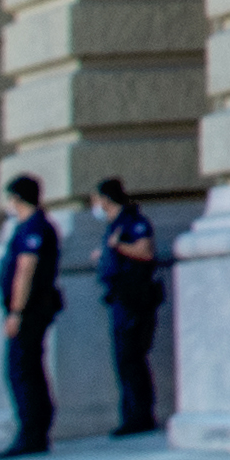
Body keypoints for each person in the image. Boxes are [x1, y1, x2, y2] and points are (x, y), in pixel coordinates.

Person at [0, 175, 68, 458]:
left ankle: (31, 432)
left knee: (21, 369)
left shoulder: (34, 228)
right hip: (32, 309)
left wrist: (16, 312)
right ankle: (34, 430)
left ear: (16, 199)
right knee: (28, 368)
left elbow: (26, 270)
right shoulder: (29, 227)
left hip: (31, 310)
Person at [91, 179, 165, 440]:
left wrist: (117, 247)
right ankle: (131, 414)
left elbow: (146, 251)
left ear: (106, 199)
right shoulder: (115, 225)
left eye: (96, 200)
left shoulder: (132, 221)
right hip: (120, 299)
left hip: (134, 299)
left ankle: (140, 416)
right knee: (125, 360)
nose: (95, 206)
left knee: (132, 358)